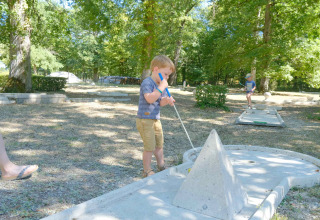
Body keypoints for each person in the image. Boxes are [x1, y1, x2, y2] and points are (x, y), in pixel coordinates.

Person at [136, 55, 175, 178]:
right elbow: (149, 99)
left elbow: (159, 102)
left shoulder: (160, 84)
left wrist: (167, 100)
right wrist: (161, 87)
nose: (167, 78)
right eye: (165, 74)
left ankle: (161, 165)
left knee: (159, 145)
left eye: (168, 75)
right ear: (156, 69)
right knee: (149, 147)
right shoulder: (147, 82)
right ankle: (146, 170)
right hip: (145, 119)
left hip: (155, 119)